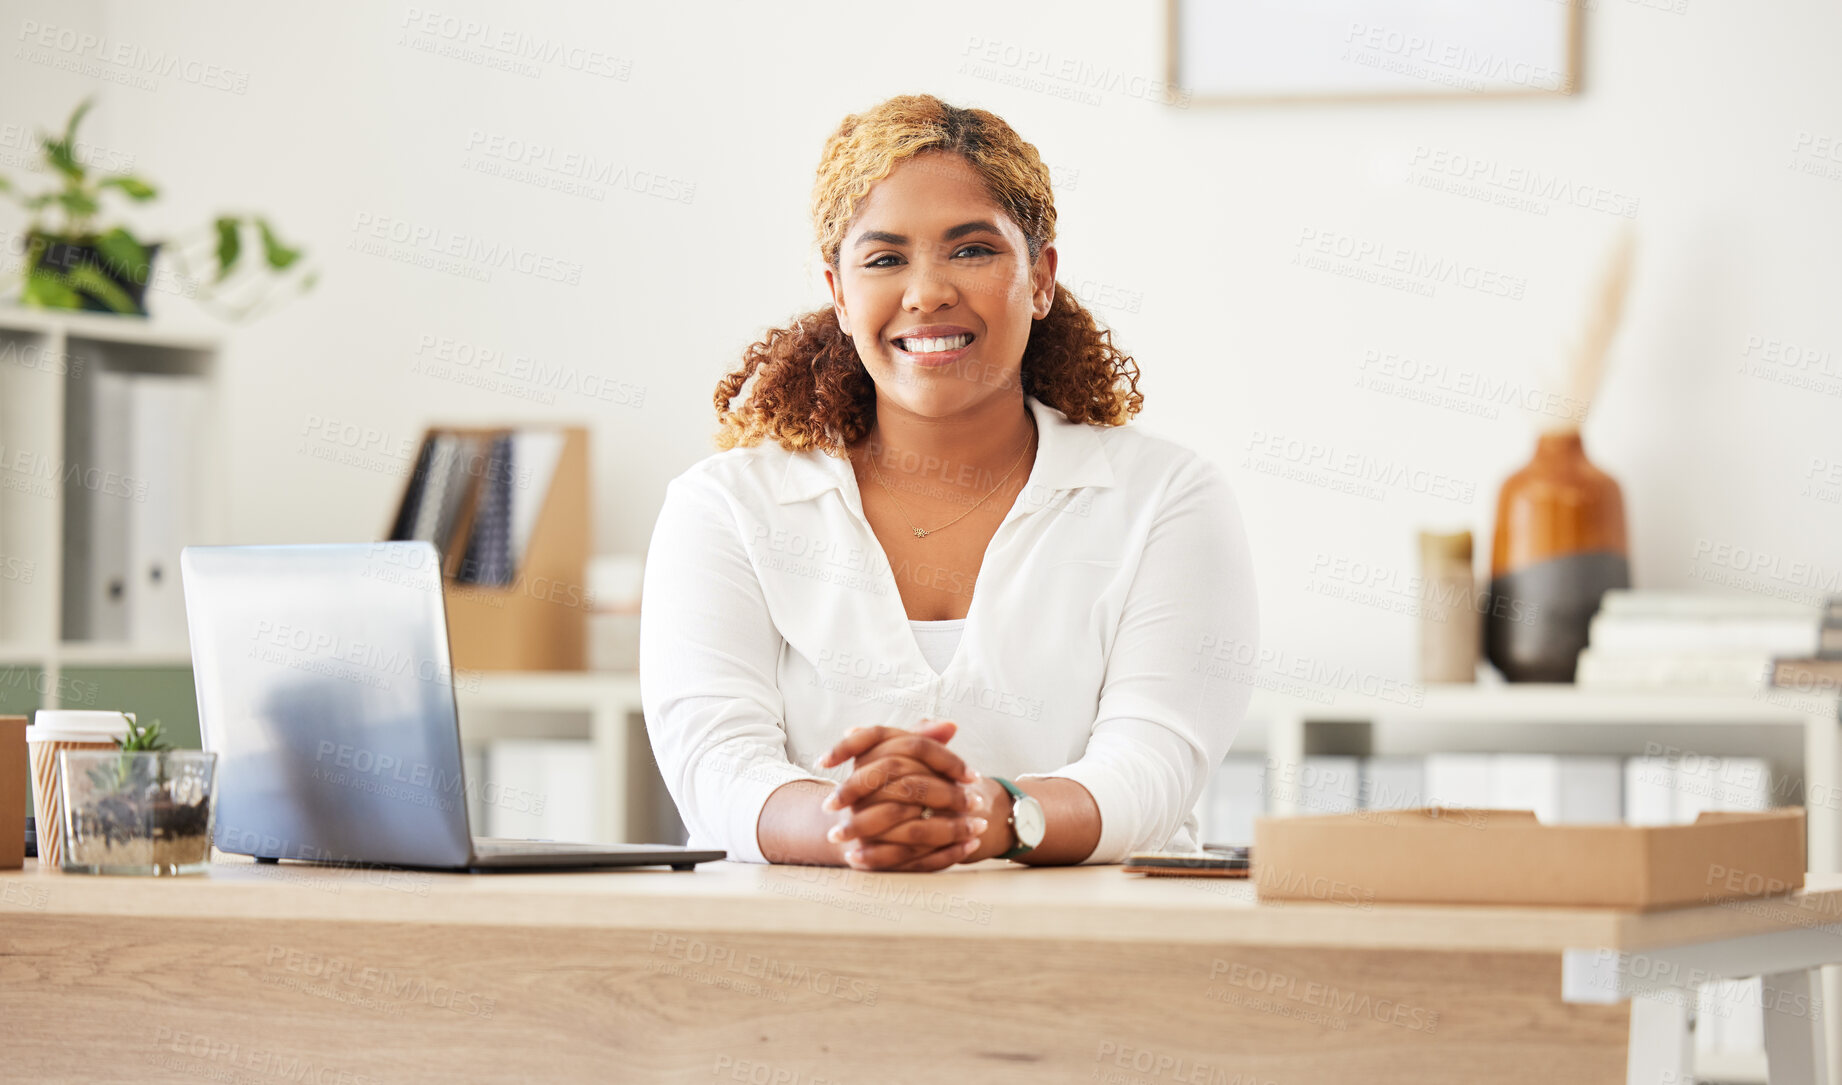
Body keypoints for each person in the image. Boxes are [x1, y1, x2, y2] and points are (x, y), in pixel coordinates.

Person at [640, 93, 1258, 872]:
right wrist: (853, 825)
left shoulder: (1167, 498)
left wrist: (994, 815)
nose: (927, 290)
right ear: (837, 290)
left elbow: (1153, 767)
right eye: (885, 258)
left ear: (1040, 278)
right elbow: (714, 766)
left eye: (971, 250)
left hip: (1093, 966)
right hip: (795, 966)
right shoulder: (725, 507)